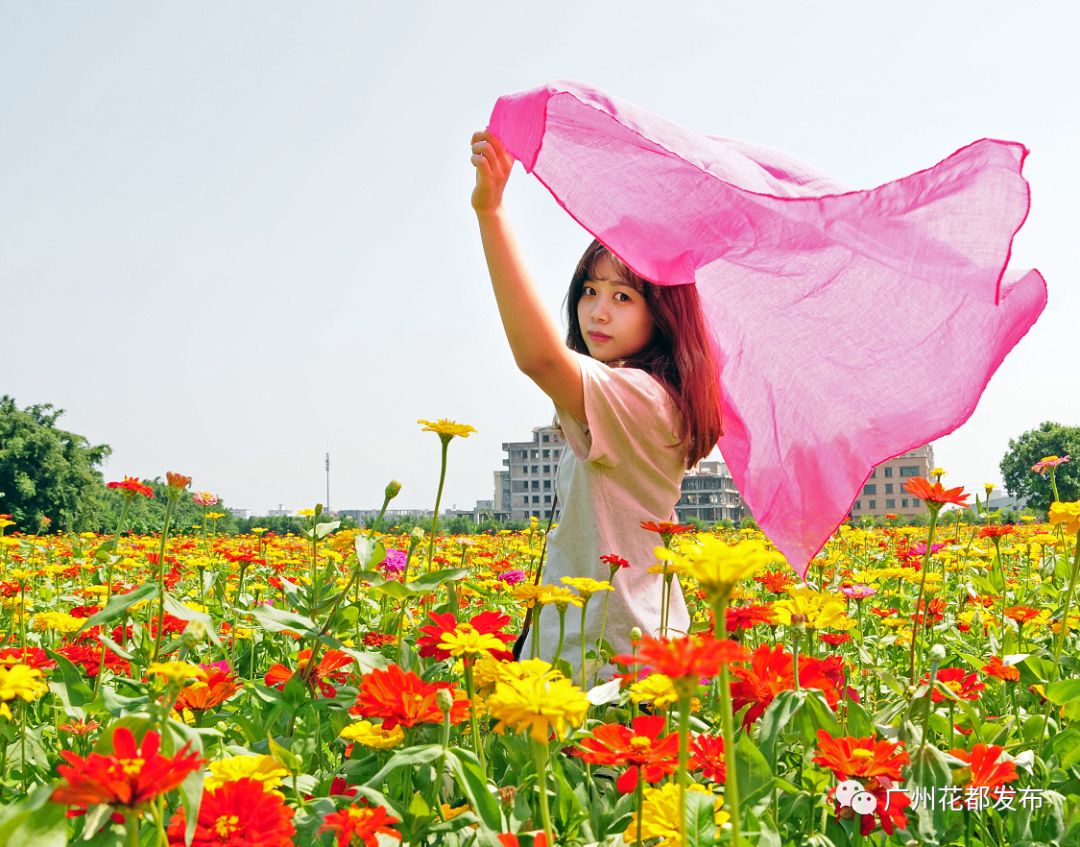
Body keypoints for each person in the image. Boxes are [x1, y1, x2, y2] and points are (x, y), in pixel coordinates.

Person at [470, 129, 724, 679]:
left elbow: (539, 357)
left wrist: (490, 213)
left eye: (623, 296)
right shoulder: (644, 393)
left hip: (608, 658)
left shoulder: (639, 397)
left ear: (663, 314)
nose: (597, 311)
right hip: (603, 640)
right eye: (590, 289)